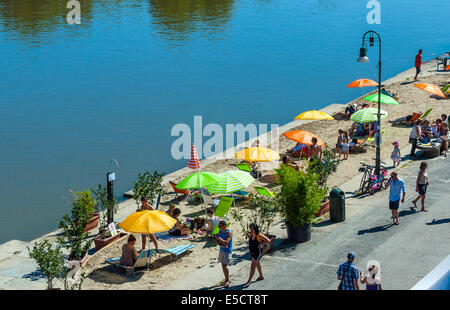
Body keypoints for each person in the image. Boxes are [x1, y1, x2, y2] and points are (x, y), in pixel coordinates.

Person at [244, 223, 271, 288]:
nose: (251, 229)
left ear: (255, 229)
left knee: (253, 266)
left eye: (252, 228)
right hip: (252, 252)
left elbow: (268, 240)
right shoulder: (250, 234)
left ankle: (249, 281)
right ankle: (261, 276)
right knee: (257, 263)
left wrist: (262, 243)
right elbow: (249, 238)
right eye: (250, 228)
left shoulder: (259, 235)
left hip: (258, 253)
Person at [215, 220, 233, 288]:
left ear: (225, 226)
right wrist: (218, 241)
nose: (219, 227)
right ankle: (226, 279)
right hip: (222, 250)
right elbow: (218, 242)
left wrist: (218, 238)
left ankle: (227, 281)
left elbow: (226, 242)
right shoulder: (220, 232)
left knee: (225, 266)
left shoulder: (229, 232)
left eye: (221, 226)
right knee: (223, 266)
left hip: (227, 251)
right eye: (219, 226)